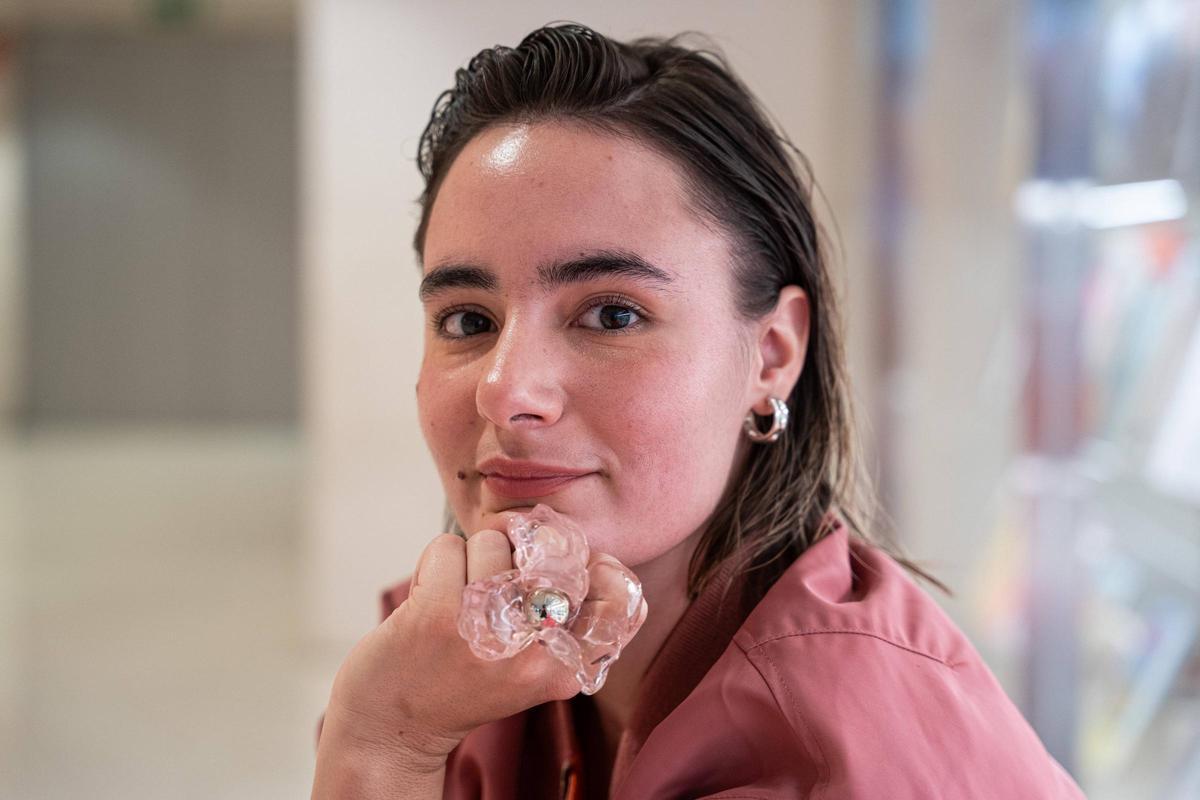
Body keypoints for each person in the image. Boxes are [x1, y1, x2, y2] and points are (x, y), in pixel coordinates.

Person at [311, 22, 1087, 800]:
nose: (507, 391)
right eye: (468, 321)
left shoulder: (842, 758)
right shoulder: (460, 656)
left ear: (774, 354)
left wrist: (382, 742)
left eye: (612, 314)